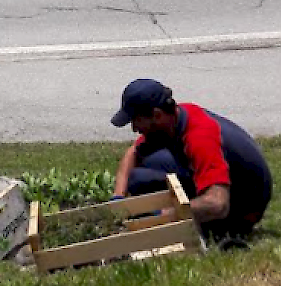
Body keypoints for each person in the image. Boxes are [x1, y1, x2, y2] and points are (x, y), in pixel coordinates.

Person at [110, 78, 272, 242]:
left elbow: (218, 204)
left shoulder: (200, 138)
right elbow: (133, 153)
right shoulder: (176, 117)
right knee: (141, 175)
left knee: (142, 179)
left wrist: (167, 216)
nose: (134, 129)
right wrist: (118, 199)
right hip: (231, 186)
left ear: (157, 115)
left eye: (136, 121)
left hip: (243, 209)